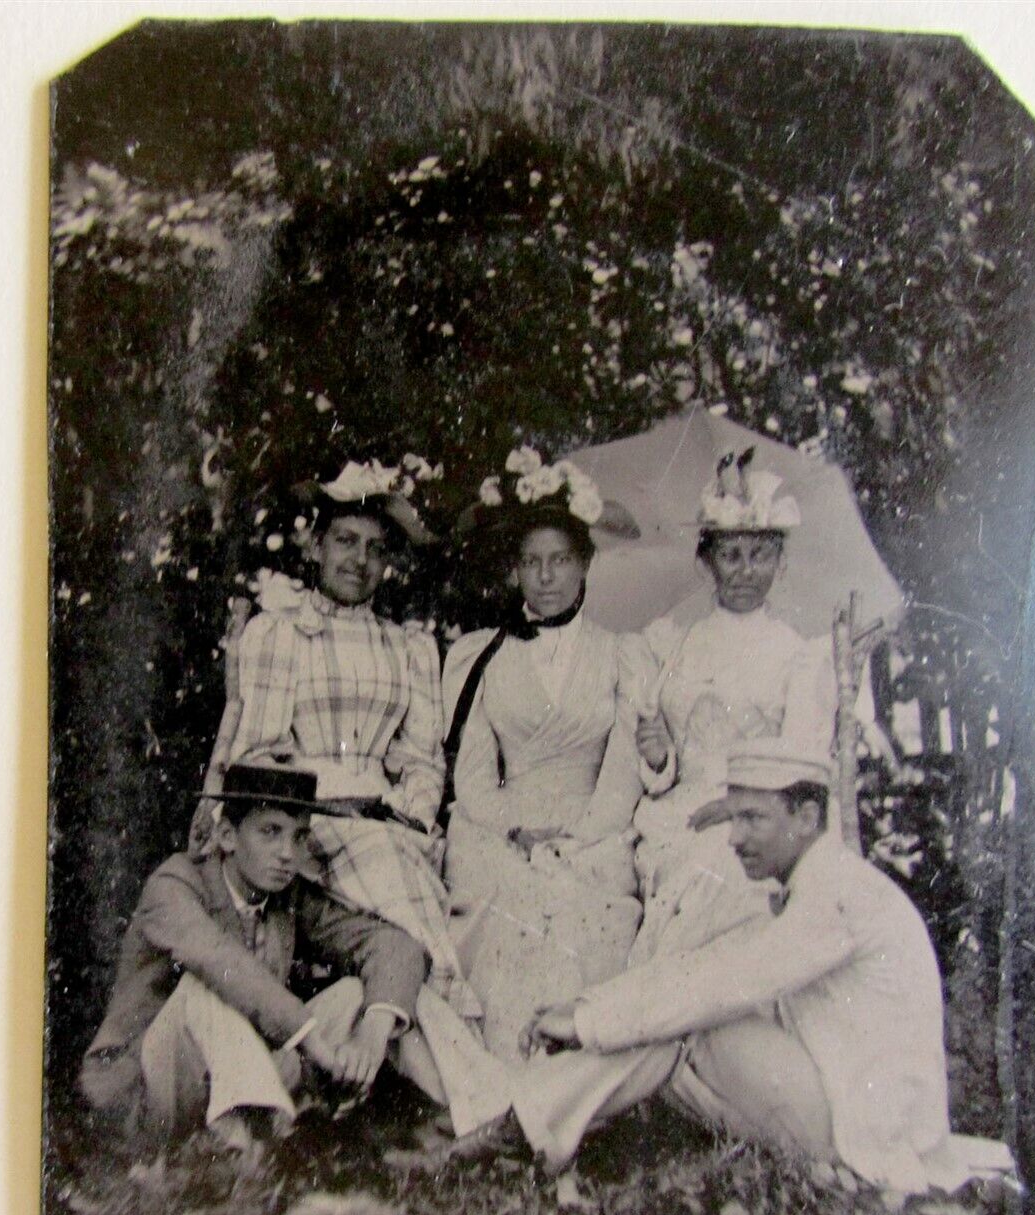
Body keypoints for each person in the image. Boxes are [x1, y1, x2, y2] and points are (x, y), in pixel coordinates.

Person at [516, 739, 1014, 1196]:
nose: (734, 837)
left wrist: (584, 1024)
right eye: (733, 818)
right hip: (843, 1103)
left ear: (806, 815)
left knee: (694, 1025)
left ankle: (526, 1127)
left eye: (753, 818)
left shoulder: (838, 897)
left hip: (865, 1132)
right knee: (673, 1034)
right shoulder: (817, 884)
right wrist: (587, 1008)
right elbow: (704, 967)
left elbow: (716, 989)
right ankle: (532, 1121)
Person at [226, 459, 481, 1061]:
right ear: (315, 546)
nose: (358, 560)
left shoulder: (409, 647)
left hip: (391, 823)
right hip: (305, 822)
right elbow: (255, 755)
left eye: (374, 548)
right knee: (391, 868)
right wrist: (345, 796)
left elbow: (421, 759)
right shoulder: (280, 633)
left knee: (407, 861)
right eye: (344, 541)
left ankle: (438, 1063)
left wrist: (413, 812)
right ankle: (466, 1052)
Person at [80, 764, 428, 1150]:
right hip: (149, 1090)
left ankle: (456, 1118)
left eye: (299, 837)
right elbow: (222, 962)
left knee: (356, 994)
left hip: (239, 1069)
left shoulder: (286, 898)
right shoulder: (175, 884)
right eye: (270, 832)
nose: (287, 854)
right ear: (227, 836)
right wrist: (315, 1045)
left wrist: (373, 1036)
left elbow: (395, 946)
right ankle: (261, 1148)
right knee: (205, 988)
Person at [441, 448, 648, 1063]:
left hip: (593, 824)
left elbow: (624, 770)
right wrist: (516, 830)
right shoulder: (482, 654)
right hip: (502, 826)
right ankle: (506, 1068)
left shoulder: (620, 654)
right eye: (531, 562)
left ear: (585, 565)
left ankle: (574, 1071)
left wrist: (582, 834)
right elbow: (472, 775)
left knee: (580, 902)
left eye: (560, 560)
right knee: (512, 905)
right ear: (514, 573)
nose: (546, 576)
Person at [630, 449, 837, 963]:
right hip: (678, 812)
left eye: (760, 555)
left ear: (780, 562)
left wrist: (739, 806)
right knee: (682, 863)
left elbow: (804, 760)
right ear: (706, 561)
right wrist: (658, 759)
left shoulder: (798, 654)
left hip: (761, 812)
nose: (746, 571)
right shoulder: (673, 643)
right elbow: (661, 766)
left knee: (722, 873)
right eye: (731, 555)